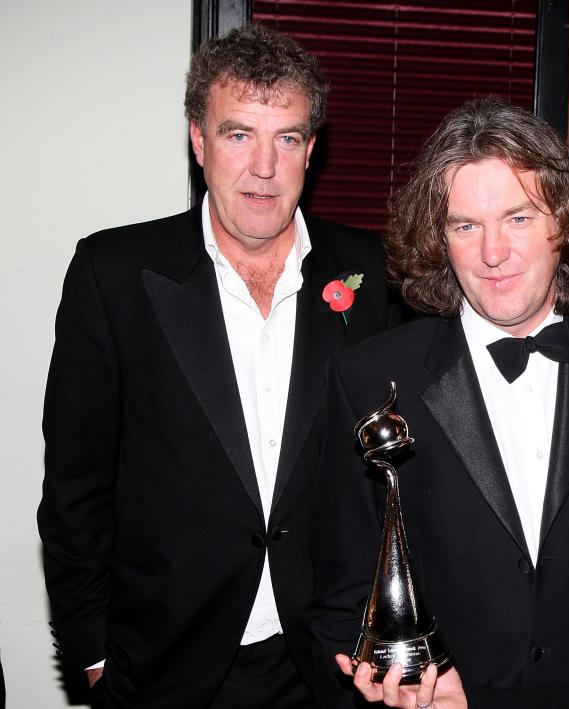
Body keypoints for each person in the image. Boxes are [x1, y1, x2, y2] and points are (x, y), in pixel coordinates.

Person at [38, 24, 400, 708]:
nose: (263, 166)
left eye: (286, 138)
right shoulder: (113, 276)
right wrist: (93, 654)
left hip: (329, 667)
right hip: (164, 668)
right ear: (199, 142)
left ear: (310, 150)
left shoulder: (378, 277)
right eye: (239, 135)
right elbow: (75, 491)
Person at [309, 97, 569, 708]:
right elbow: (342, 586)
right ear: (439, 238)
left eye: (518, 218)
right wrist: (387, 685)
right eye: (465, 225)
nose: (493, 253)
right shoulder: (367, 378)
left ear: (563, 224)